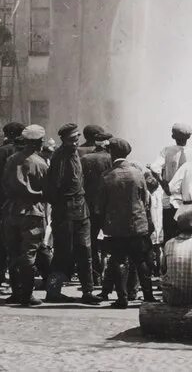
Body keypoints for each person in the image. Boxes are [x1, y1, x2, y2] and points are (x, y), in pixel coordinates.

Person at [97, 137, 155, 308]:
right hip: (138, 225)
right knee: (141, 260)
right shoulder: (138, 174)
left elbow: (100, 205)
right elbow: (145, 200)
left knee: (118, 260)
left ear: (112, 153)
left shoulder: (107, 176)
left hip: (116, 228)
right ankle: (149, 296)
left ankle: (122, 298)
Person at [44, 123, 97, 303]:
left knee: (85, 250)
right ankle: (52, 291)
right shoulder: (60, 157)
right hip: (65, 211)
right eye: (72, 140)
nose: (75, 143)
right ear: (64, 140)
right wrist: (60, 207)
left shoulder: (74, 154)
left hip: (81, 210)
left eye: (77, 139)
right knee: (62, 252)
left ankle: (88, 292)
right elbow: (53, 187)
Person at [2, 125, 48, 306]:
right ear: (39, 142)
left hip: (11, 210)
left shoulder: (11, 160)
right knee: (29, 254)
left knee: (13, 253)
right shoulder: (41, 163)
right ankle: (27, 295)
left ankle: (15, 292)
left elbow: (4, 184)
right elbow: (47, 189)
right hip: (32, 211)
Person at [0, 121, 25, 286]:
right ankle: (20, 276)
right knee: (22, 240)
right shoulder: (24, 151)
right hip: (21, 202)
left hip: (0, 202)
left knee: (1, 240)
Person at [78, 123, 114, 289]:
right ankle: (112, 277)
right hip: (108, 205)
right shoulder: (110, 157)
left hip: (89, 204)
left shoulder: (81, 154)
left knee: (89, 241)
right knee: (112, 239)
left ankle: (95, 276)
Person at [159, 123, 192, 240]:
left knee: (169, 236)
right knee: (187, 236)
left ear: (173, 137)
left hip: (169, 202)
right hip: (187, 202)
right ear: (188, 137)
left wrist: (163, 183)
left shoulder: (166, 151)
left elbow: (155, 168)